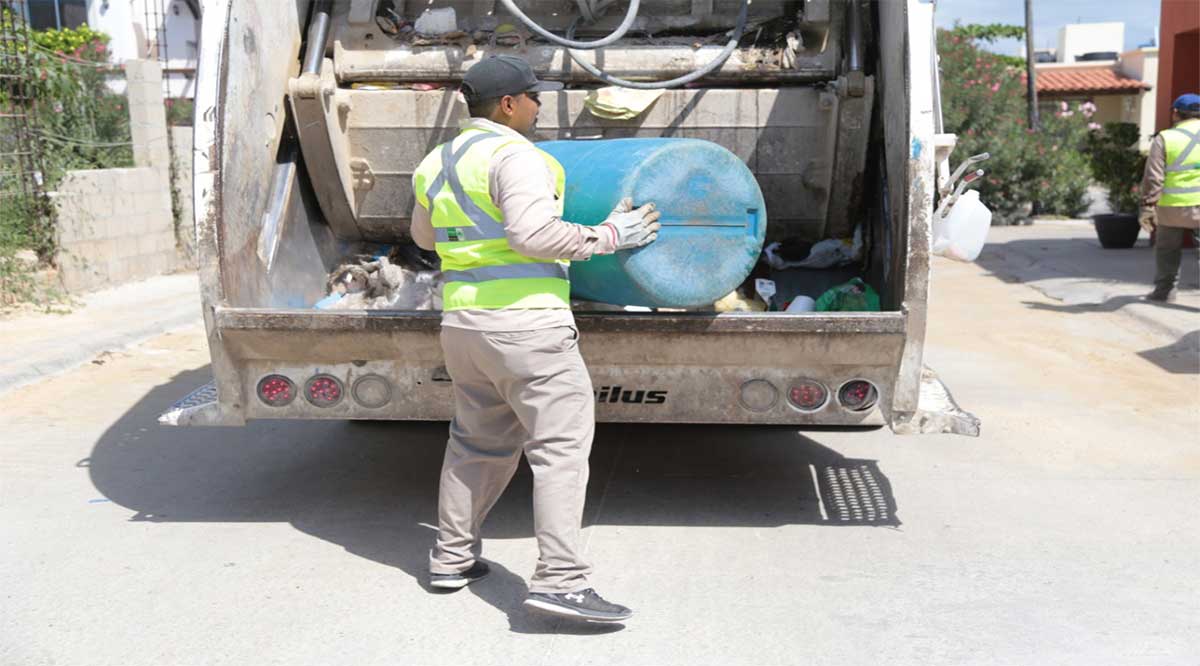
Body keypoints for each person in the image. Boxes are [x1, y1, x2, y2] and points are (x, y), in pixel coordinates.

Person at [408, 55, 661, 623]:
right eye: (534, 97)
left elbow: (425, 236)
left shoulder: (436, 162)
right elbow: (532, 234)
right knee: (560, 451)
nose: (539, 105)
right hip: (527, 327)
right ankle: (561, 580)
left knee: (476, 445)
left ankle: (451, 558)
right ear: (508, 105)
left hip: (464, 326)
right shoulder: (517, 156)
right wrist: (609, 235)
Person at [1139, 93, 1200, 302]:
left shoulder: (1165, 138)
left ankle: (1164, 292)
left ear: (1175, 113)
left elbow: (1153, 176)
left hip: (1171, 207)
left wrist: (1148, 206)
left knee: (1167, 251)